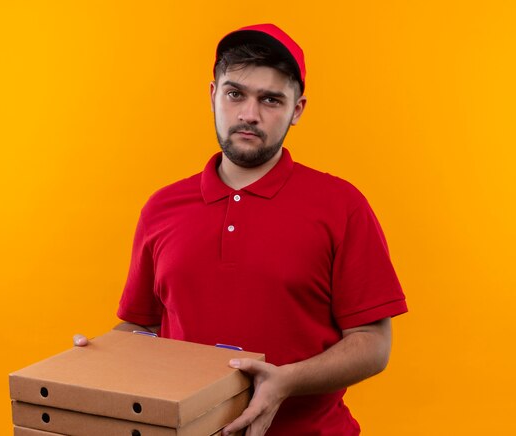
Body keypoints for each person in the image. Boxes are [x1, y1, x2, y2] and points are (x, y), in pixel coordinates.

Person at [74, 23, 407, 436]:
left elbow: (372, 344)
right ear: (213, 94)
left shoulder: (342, 205)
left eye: (270, 100)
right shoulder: (161, 208)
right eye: (235, 94)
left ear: (297, 110)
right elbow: (143, 327)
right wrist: (97, 356)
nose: (249, 114)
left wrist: (286, 381)